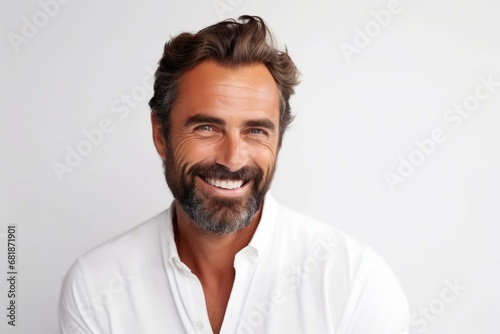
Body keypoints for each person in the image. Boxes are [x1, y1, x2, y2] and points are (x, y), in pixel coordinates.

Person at [58, 15, 410, 334]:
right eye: (207, 128)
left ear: (279, 140)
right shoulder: (95, 288)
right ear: (160, 134)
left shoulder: (355, 284)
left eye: (256, 131)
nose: (232, 159)